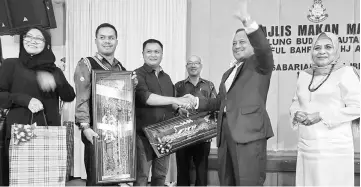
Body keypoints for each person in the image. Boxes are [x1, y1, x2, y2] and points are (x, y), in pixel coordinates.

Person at [186, 1, 274, 185]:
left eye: (242, 42)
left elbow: (264, 49)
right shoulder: (228, 73)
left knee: (247, 182)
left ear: (253, 45)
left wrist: (248, 22)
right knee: (227, 182)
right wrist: (195, 101)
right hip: (225, 136)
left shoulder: (259, 64)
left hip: (249, 135)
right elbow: (220, 102)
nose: (237, 46)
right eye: (234, 43)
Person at [0, 26, 75, 186]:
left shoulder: (54, 70)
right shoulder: (11, 64)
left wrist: (56, 80)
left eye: (39, 38)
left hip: (49, 130)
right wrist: (25, 100)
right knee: (20, 179)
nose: (33, 40)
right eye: (29, 36)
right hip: (21, 131)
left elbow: (69, 95)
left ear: (46, 44)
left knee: (47, 179)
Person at [289, 32, 360, 186]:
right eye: (317, 47)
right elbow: (296, 101)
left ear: (336, 50)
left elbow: (358, 107)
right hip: (308, 145)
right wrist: (296, 113)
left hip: (334, 148)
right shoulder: (304, 75)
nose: (322, 51)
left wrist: (321, 115)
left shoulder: (346, 73)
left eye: (328, 47)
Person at [74, 23, 137, 186]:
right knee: (96, 177)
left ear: (117, 41)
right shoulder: (86, 64)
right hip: (95, 130)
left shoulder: (120, 67)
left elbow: (124, 102)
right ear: (96, 40)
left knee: (115, 176)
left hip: (117, 132)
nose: (107, 41)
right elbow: (82, 97)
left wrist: (132, 86)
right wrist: (85, 127)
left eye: (111, 38)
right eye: (102, 38)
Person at [134, 39, 194, 186]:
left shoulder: (166, 77)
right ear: (143, 54)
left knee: (160, 175)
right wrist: (177, 99)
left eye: (157, 52)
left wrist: (180, 108)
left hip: (165, 135)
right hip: (144, 136)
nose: (153, 55)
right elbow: (146, 98)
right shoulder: (137, 75)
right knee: (141, 176)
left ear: (162, 54)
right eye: (149, 51)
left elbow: (171, 103)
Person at [174, 55, 217, 186]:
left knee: (201, 170)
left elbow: (215, 104)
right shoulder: (178, 86)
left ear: (201, 66)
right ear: (186, 66)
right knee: (182, 169)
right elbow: (172, 103)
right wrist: (178, 109)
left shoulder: (209, 85)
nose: (193, 65)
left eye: (196, 63)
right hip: (182, 134)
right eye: (190, 63)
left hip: (203, 134)